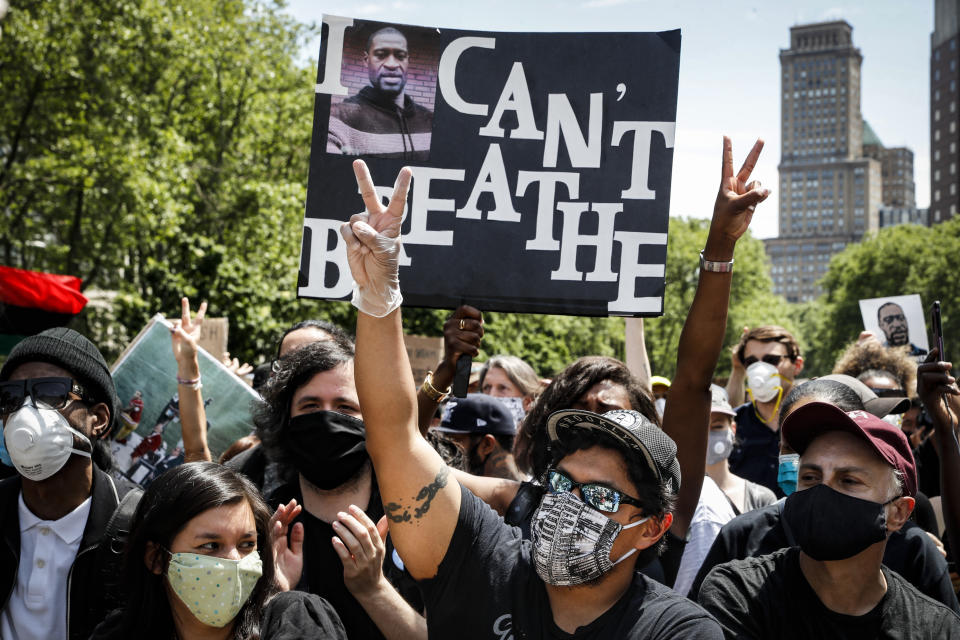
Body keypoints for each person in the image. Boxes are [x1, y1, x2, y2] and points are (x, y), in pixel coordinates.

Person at [339, 135, 769, 636]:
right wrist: (378, 294)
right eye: (564, 484)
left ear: (653, 527)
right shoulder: (485, 562)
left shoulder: (679, 632)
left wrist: (719, 252)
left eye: (601, 498)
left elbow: (693, 383)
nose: (569, 505)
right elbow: (394, 439)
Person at [687, 378, 958, 611]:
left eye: (848, 479)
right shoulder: (737, 566)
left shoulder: (913, 557)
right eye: (793, 449)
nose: (816, 465)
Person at [253, 340, 426, 640]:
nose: (326, 419)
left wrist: (374, 590)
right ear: (286, 421)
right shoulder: (262, 527)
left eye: (345, 407)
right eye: (310, 407)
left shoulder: (421, 520)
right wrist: (271, 594)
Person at [89, 462, 347, 640]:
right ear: (156, 558)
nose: (235, 560)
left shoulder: (294, 621)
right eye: (211, 546)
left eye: (247, 544)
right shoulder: (118, 632)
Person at [0, 327, 143, 639]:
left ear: (99, 419)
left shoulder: (140, 525)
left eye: (50, 393)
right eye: (10, 397)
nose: (25, 412)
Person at [673, 385, 776, 595]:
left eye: (717, 426)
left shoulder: (761, 498)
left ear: (733, 429)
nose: (707, 436)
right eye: (700, 427)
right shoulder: (674, 497)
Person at [327, 26, 433, 161]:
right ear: (366, 60)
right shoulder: (339, 117)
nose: (392, 64)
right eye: (381, 55)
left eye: (400, 56)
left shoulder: (429, 121)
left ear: (408, 61)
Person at [726, 325, 805, 495]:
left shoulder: (812, 421)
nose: (759, 370)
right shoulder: (735, 423)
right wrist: (737, 369)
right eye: (751, 362)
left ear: (797, 365)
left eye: (771, 360)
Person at [431, 394, 522, 480]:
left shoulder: (532, 493)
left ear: (487, 445)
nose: (444, 449)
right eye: (444, 441)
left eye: (453, 442)